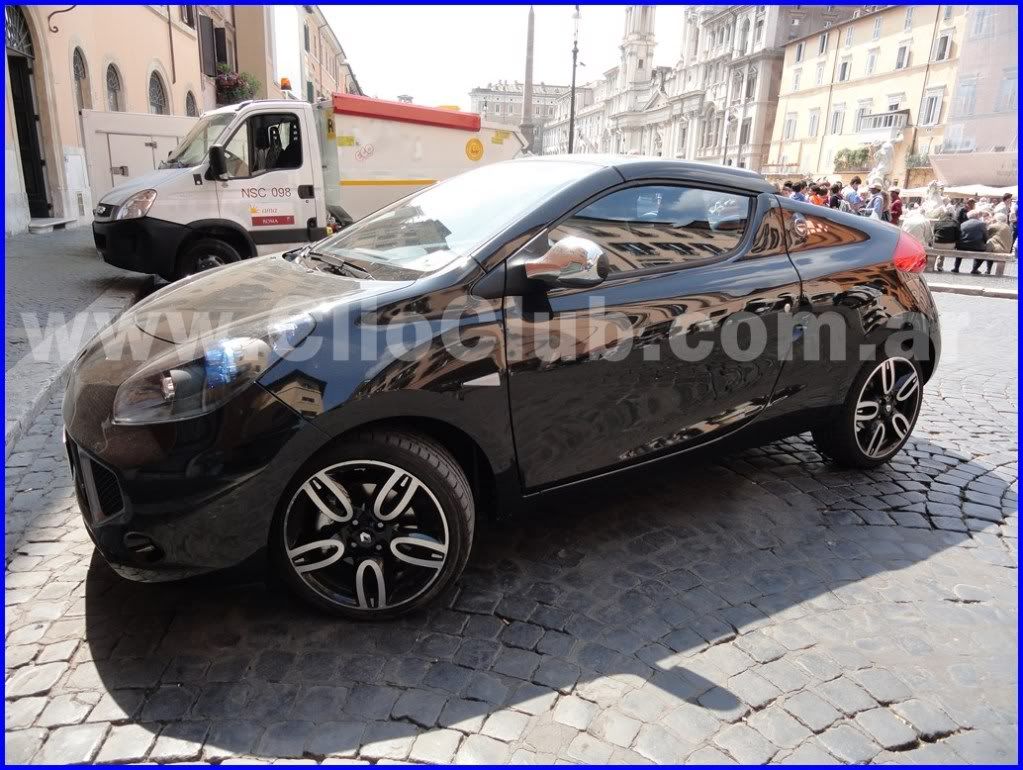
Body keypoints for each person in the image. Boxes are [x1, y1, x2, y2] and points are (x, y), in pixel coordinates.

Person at [957, 209, 988, 274]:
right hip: (977, 246)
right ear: (977, 216)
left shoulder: (963, 224)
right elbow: (985, 235)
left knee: (959, 252)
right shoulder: (981, 224)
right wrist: (985, 243)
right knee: (983, 252)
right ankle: (975, 269)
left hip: (963, 245)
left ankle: (956, 267)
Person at [933, 205, 961, 272]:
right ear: (952, 216)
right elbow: (958, 235)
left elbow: (934, 232)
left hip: (937, 243)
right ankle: (939, 266)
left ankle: (931, 266)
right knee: (945, 243)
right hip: (949, 245)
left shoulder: (938, 222)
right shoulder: (955, 223)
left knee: (937, 247)